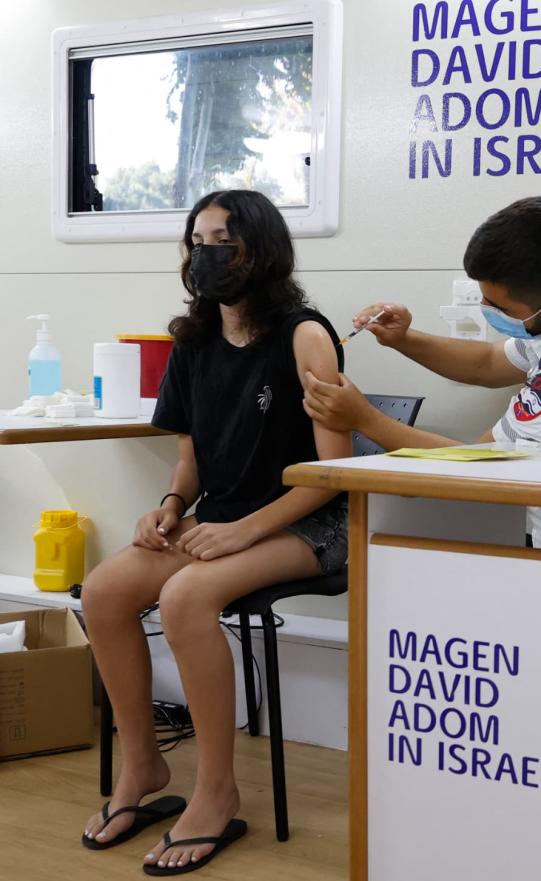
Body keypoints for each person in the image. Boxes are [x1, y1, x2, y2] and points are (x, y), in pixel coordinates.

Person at [79, 190, 350, 875]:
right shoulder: (193, 341)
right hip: (226, 516)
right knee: (108, 588)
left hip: (311, 521)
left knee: (185, 598)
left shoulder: (304, 334)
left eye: (222, 239)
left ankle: (217, 790)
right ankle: (143, 765)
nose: (206, 253)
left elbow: (333, 473)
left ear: (259, 249)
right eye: (197, 240)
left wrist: (240, 533)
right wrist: (170, 506)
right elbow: (191, 460)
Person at [302, 196, 541, 558]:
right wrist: (404, 339)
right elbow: (488, 363)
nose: (487, 311)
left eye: (496, 306)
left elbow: (477, 464)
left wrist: (363, 420)